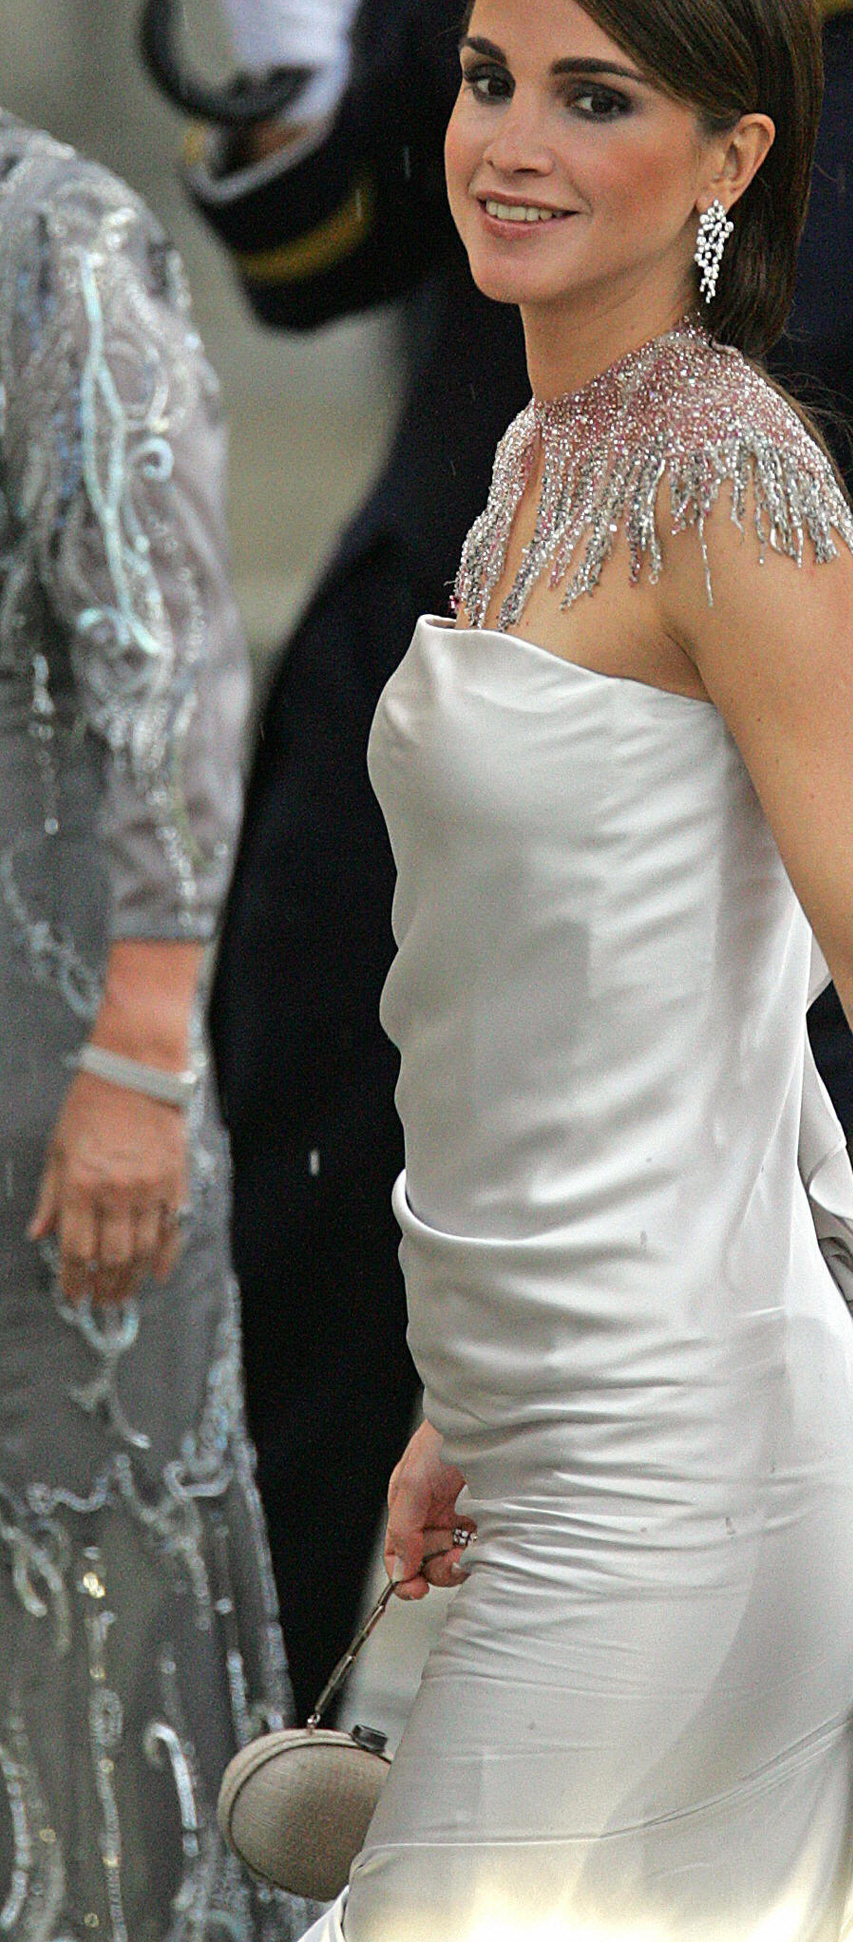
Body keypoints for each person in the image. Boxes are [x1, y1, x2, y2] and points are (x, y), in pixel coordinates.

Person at [184, 0, 853, 1712]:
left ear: (734, 161)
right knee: (293, 1388)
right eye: (502, 86)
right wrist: (288, 104)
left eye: (600, 104)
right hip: (387, 846)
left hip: (751, 950)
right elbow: (324, 243)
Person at [0, 115, 297, 1940]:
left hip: (53, 1080)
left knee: (83, 1633)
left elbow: (168, 669)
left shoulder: (57, 253)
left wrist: (136, 1062)